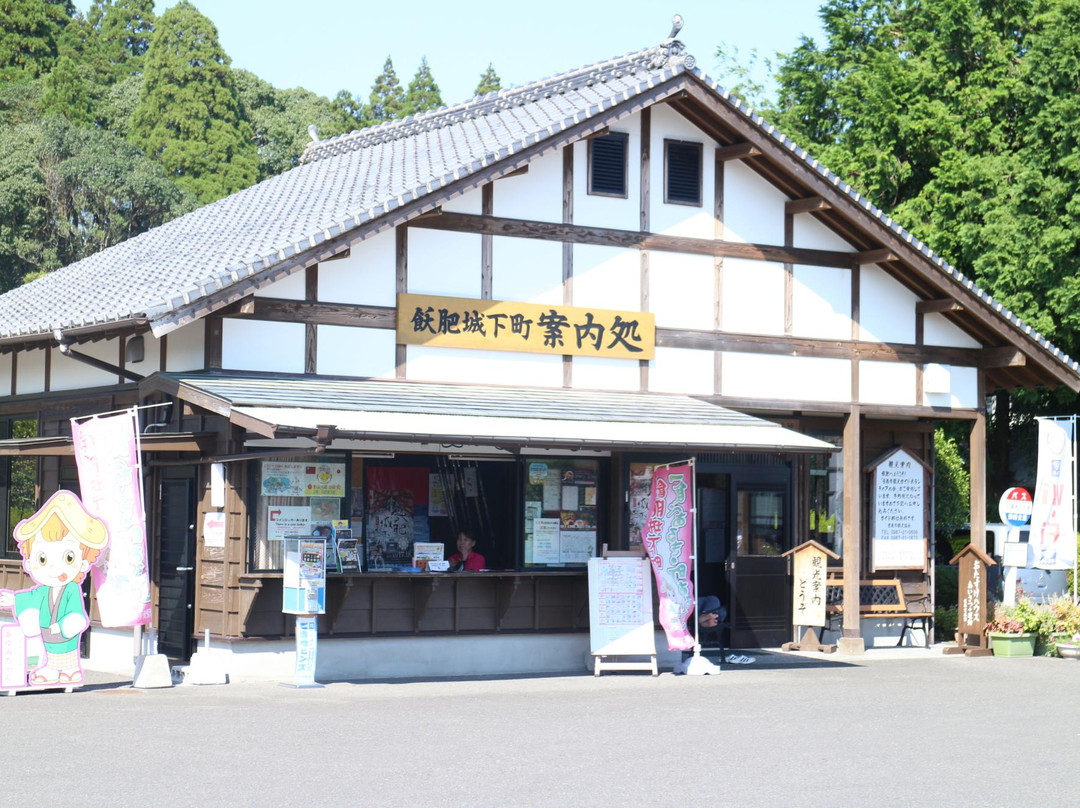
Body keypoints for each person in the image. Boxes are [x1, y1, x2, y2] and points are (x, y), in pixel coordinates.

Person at [0, 491, 109, 685]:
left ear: (84, 560)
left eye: (68, 558)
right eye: (42, 558)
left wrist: (66, 623)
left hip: (64, 637)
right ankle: (51, 668)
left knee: (66, 658)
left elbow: (77, 615)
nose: (53, 567)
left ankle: (70, 668)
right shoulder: (44, 590)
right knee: (51, 658)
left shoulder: (71, 589)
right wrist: (13, 599)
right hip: (49, 639)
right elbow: (32, 596)